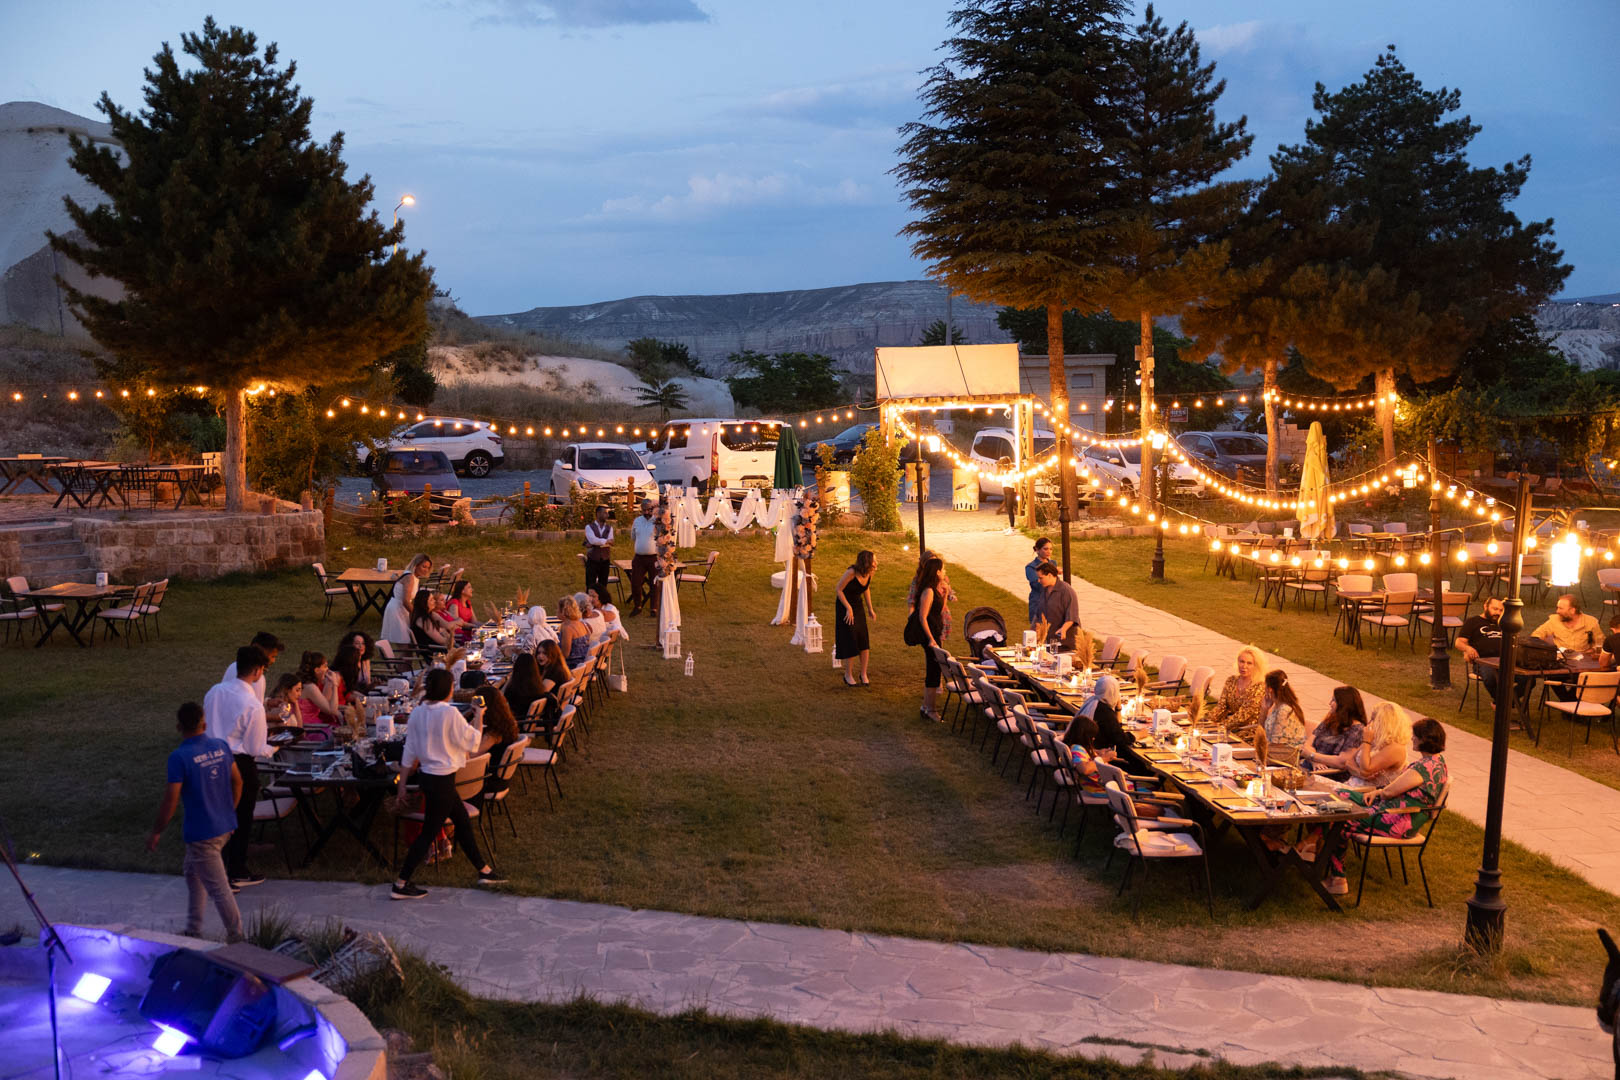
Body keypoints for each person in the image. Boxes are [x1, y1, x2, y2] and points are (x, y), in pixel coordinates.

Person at [392, 668, 505, 899]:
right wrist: (479, 716)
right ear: (449, 689)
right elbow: (473, 743)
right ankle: (401, 883)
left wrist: (402, 785)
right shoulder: (450, 714)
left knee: (462, 821)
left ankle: (484, 871)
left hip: (428, 779)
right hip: (442, 780)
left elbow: (409, 753)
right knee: (429, 833)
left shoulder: (417, 713)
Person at [1316, 716, 1449, 896]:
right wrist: (1376, 793)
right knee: (1339, 795)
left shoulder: (1424, 768)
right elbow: (1390, 791)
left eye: (1415, 736)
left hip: (1395, 819)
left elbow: (1390, 792)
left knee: (1335, 818)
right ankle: (1315, 854)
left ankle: (1337, 877)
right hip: (1394, 811)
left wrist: (1379, 793)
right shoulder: (1437, 762)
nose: (1412, 739)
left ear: (1425, 739)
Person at [148, 702, 244, 942]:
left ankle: (238, 938)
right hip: (225, 826)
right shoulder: (221, 746)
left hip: (203, 834)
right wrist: (229, 811)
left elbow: (171, 800)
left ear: (179, 727)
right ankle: (193, 930)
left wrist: (157, 831)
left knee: (219, 888)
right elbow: (238, 782)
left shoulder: (179, 757)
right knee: (193, 872)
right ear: (205, 724)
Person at [203, 645, 273, 888]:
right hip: (239, 765)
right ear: (257, 671)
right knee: (240, 818)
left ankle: (214, 868)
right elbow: (254, 748)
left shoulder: (214, 692)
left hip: (210, 760)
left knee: (217, 816)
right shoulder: (252, 705)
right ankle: (236, 869)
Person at [1314, 701, 1412, 787]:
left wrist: (1366, 742)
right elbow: (1349, 762)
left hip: (1363, 794)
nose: (1369, 722)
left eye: (1373, 719)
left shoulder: (1395, 748)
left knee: (1313, 785)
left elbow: (1366, 769)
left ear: (1384, 723)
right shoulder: (1375, 741)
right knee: (1310, 781)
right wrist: (1360, 773)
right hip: (1350, 785)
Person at [1299, 686, 1368, 774]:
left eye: (1333, 700)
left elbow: (1341, 762)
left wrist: (1311, 755)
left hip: (1328, 774)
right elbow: (1307, 745)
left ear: (1344, 704)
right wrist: (1314, 761)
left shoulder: (1357, 730)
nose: (1329, 703)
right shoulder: (1330, 720)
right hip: (1309, 766)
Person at [834, 550, 878, 687]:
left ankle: (863, 673)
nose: (876, 563)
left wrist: (870, 608)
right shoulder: (851, 573)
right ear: (866, 562)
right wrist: (848, 608)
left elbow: (866, 589)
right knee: (851, 638)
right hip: (845, 606)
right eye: (874, 560)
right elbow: (838, 589)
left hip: (857, 606)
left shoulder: (869, 573)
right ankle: (848, 674)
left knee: (863, 639)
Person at [914, 556, 950, 722]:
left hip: (936, 633)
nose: (944, 572)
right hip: (930, 636)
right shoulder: (928, 591)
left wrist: (945, 593)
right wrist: (930, 639)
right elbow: (923, 617)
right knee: (933, 671)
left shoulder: (935, 589)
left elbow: (940, 610)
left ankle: (925, 707)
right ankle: (931, 710)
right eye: (942, 570)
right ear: (936, 571)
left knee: (935, 670)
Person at [1206, 646, 1267, 736]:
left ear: (1256, 666)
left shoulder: (1259, 686)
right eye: (1241, 661)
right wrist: (1208, 721)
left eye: (1249, 663)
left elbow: (1244, 715)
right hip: (1231, 727)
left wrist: (1222, 726)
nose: (1244, 666)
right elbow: (1221, 706)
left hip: (1248, 731)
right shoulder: (1231, 680)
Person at [1457, 596, 1507, 700]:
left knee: (1527, 679)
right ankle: (1504, 702)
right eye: (1495, 609)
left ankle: (1505, 702)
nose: (1497, 613)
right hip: (1483, 662)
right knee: (1490, 677)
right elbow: (1459, 642)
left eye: (1501, 610)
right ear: (1485, 606)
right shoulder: (1473, 621)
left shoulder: (1504, 624)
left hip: (1504, 661)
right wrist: (1468, 649)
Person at [1068, 674, 1132, 754]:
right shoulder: (1106, 712)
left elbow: (1117, 729)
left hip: (1084, 749)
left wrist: (1118, 708)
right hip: (1097, 755)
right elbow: (1120, 739)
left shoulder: (1092, 701)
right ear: (1113, 692)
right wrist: (1138, 735)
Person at [1257, 669, 1308, 760]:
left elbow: (1277, 744)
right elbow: (1261, 730)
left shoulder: (1284, 710)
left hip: (1286, 756)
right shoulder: (1278, 706)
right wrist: (1264, 709)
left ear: (1270, 689)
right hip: (1275, 752)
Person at [381, 554, 432, 644]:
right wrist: (418, 615)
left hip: (402, 610)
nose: (426, 570)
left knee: (408, 643)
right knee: (404, 644)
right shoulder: (410, 577)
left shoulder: (415, 577)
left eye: (428, 568)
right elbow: (405, 601)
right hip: (397, 609)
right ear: (416, 565)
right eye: (423, 566)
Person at [222, 631, 284, 700]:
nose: (273, 661)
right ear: (261, 653)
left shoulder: (233, 666)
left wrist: (267, 703)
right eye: (273, 656)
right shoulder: (257, 678)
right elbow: (256, 707)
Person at [296, 651, 346, 735]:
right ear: (317, 670)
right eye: (325, 666)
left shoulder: (309, 684)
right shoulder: (310, 687)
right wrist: (334, 685)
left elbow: (325, 703)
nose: (328, 669)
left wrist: (328, 684)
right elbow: (332, 710)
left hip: (313, 724)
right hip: (310, 729)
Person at [1533, 593, 1601, 653]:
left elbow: (1600, 643)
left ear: (1572, 610)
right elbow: (1536, 636)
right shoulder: (1554, 620)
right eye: (1557, 608)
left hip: (1584, 659)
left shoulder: (1591, 622)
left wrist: (1591, 651)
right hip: (1561, 658)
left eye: (1560, 608)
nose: (1557, 611)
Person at [1036, 562, 1080, 650]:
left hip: (1065, 643)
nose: (1038, 580)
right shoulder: (1044, 590)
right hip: (1048, 642)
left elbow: (1072, 616)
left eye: (1041, 578)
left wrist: (1063, 629)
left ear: (1049, 575)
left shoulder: (1066, 591)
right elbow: (1038, 614)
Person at [627, 499, 658, 616]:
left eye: (648, 510)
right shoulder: (637, 521)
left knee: (654, 583)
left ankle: (654, 608)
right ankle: (637, 606)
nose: (646, 512)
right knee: (635, 582)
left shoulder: (656, 521)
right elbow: (633, 536)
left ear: (652, 509)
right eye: (643, 510)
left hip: (653, 557)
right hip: (639, 557)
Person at [503, 652, 547, 728]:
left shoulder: (513, 689)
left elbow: (500, 697)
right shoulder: (538, 686)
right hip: (530, 720)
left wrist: (509, 678)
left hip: (517, 722)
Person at [584, 504, 615, 601]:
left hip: (605, 560)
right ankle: (589, 603)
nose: (607, 515)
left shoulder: (609, 528)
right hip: (593, 560)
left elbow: (611, 541)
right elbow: (592, 540)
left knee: (603, 584)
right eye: (605, 513)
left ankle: (602, 602)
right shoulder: (589, 527)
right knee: (590, 584)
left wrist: (597, 542)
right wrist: (605, 541)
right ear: (598, 514)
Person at [337, 630, 375, 695]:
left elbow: (368, 682)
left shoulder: (365, 661)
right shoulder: (347, 661)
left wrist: (373, 685)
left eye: (363, 643)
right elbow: (347, 688)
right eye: (357, 643)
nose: (361, 646)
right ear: (349, 645)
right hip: (351, 695)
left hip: (363, 693)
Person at [1025, 538, 1052, 628]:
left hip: (1052, 600)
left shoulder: (1053, 563)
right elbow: (1037, 585)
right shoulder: (1031, 567)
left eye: (1050, 549)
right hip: (1038, 600)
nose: (1049, 551)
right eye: (1045, 549)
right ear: (1037, 549)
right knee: (1037, 630)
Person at [557, 596, 591, 666]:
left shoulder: (567, 628)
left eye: (558, 608)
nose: (556, 610)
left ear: (563, 611)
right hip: (583, 665)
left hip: (572, 667)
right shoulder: (581, 623)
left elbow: (565, 654)